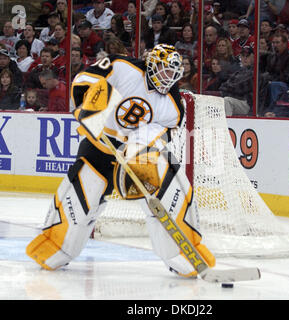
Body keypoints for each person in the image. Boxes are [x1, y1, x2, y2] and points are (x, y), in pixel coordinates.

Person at [26, 43, 216, 278]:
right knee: (82, 195)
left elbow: (162, 134)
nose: (168, 79)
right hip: (98, 145)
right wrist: (88, 109)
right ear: (152, 64)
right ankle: (56, 246)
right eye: (164, 70)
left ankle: (183, 252)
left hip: (139, 153)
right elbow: (85, 79)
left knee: (169, 186)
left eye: (173, 74)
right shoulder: (122, 66)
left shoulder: (174, 105)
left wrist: (135, 149)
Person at [220, 46, 256, 116]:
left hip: (247, 103)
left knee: (227, 101)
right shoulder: (239, 71)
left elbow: (240, 89)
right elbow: (222, 87)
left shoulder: (255, 72)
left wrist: (230, 89)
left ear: (253, 57)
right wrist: (231, 88)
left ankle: (227, 125)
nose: (245, 58)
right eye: (243, 56)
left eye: (247, 56)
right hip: (236, 100)